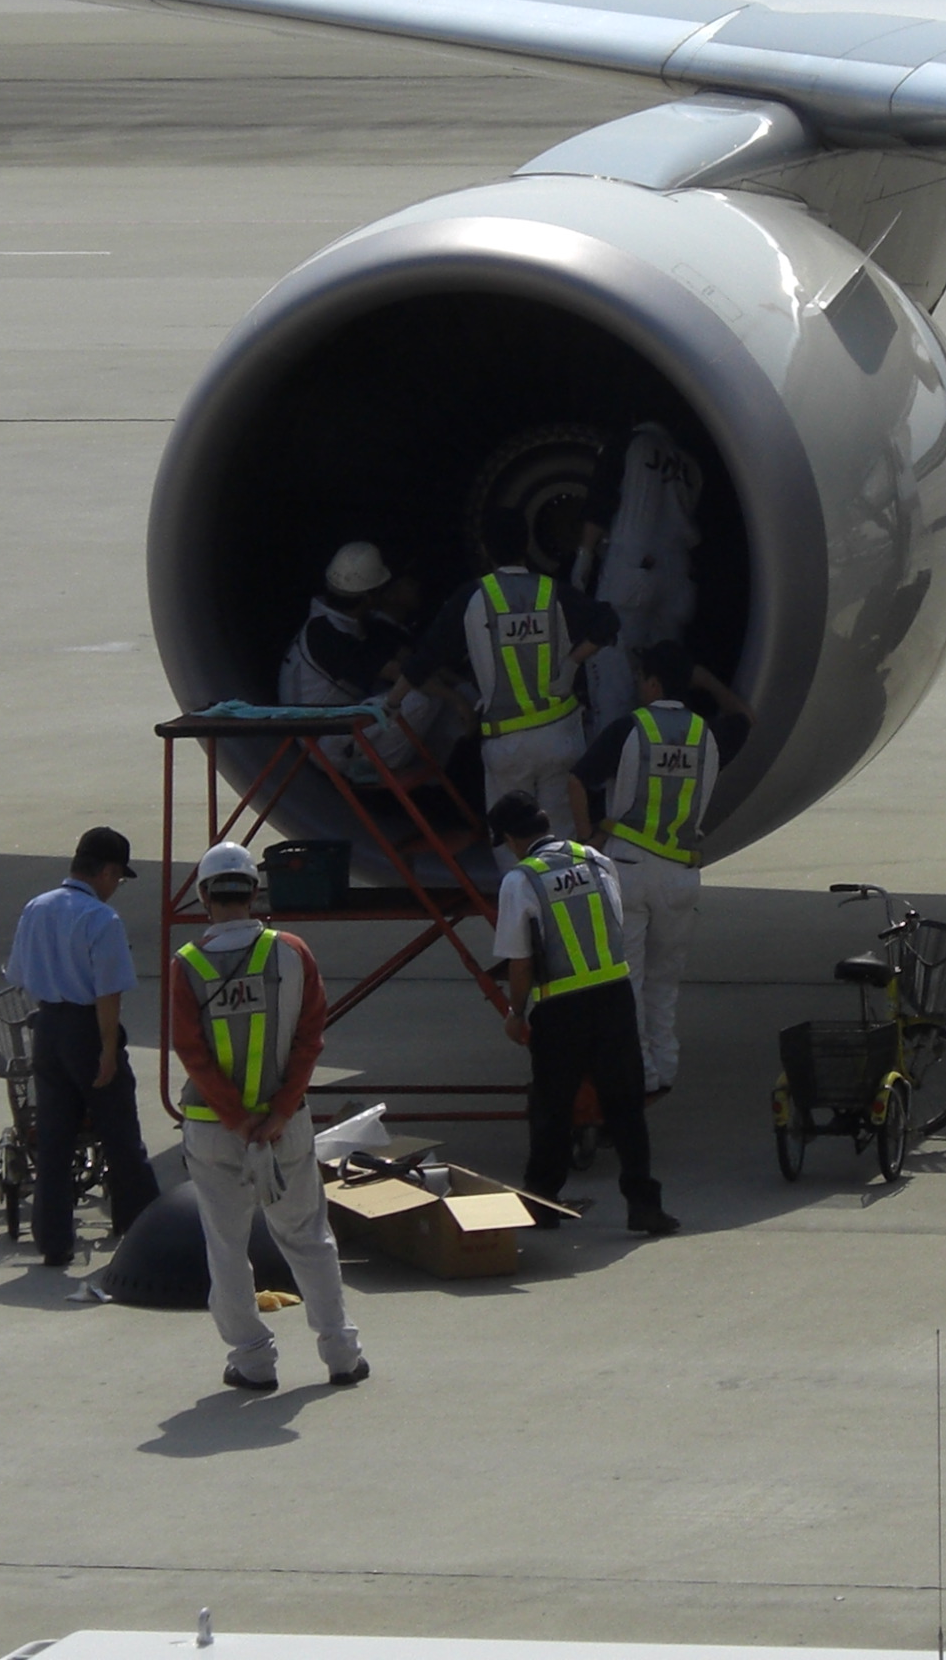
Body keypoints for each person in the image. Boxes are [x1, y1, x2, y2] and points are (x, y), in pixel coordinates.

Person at [168, 841, 368, 1392]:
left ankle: (253, 1361)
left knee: (227, 1247)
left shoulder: (186, 966)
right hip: (286, 1127)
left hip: (215, 1129)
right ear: (255, 891)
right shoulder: (292, 952)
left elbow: (192, 1052)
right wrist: (277, 1113)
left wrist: (237, 1120)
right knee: (308, 1235)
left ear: (205, 896)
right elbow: (310, 1038)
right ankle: (341, 1353)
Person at [566, 640, 754, 1098]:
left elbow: (577, 777)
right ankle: (665, 1070)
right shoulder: (707, 735)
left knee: (626, 979)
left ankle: (642, 1073)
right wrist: (705, 680)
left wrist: (588, 834)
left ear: (651, 682)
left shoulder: (630, 729)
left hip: (629, 864)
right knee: (664, 982)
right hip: (680, 873)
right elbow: (745, 719)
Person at [487, 790, 679, 1235]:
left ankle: (542, 1202)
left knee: (552, 1108)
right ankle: (644, 1206)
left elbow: (520, 962)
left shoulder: (522, 880)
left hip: (561, 1007)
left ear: (514, 838)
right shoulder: (595, 859)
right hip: (614, 995)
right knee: (627, 1107)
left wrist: (517, 1012)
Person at [395, 506, 616, 867]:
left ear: (486, 548)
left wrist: (391, 703)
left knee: (512, 847)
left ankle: (524, 915)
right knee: (561, 844)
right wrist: (573, 662)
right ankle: (563, 913)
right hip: (559, 734)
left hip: (508, 744)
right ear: (526, 545)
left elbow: (425, 659)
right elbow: (608, 622)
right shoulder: (552, 592)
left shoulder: (472, 599)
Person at [4, 826, 159, 1267]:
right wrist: (108, 1052)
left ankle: (54, 1242)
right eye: (119, 878)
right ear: (107, 872)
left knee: (53, 1142)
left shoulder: (36, 907)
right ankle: (146, 1233)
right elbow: (109, 993)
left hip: (47, 1027)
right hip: (87, 1030)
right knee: (121, 1139)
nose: (116, 888)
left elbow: (18, 975)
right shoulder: (99, 919)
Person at [277, 539, 461, 782]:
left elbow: (410, 658)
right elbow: (403, 673)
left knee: (428, 690)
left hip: (338, 726)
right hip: (324, 743)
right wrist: (459, 701)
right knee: (419, 698)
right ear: (368, 597)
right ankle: (370, 767)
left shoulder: (347, 625)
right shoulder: (327, 636)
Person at [578, 420, 703, 727]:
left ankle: (613, 761)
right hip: (677, 579)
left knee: (615, 679)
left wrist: (583, 555)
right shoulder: (692, 467)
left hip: (632, 571)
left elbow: (601, 502)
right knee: (663, 683)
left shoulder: (632, 443)